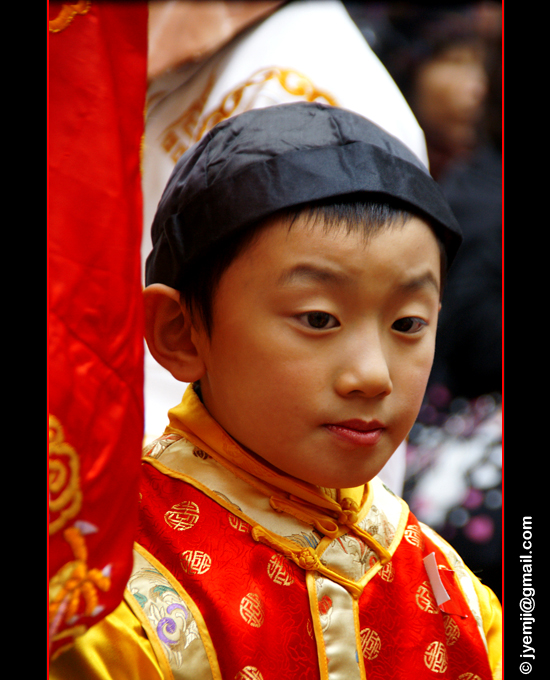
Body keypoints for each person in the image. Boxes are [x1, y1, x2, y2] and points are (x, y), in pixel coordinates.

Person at [50, 102, 501, 679]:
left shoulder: (451, 591)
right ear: (181, 332)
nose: (373, 375)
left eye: (408, 324)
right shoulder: (107, 596)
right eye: (318, 319)